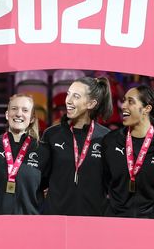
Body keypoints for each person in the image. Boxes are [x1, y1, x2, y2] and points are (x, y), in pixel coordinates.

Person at [102, 85, 154, 218]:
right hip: (117, 222)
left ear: (147, 109)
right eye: (124, 100)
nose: (123, 105)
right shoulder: (110, 141)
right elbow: (105, 181)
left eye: (130, 101)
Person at [42, 77, 112, 216]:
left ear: (91, 104)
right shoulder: (51, 135)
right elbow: (40, 177)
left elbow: (114, 181)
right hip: (56, 217)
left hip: (93, 219)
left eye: (76, 96)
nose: (68, 100)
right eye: (68, 94)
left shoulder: (107, 138)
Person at [0, 94, 49, 214]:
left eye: (25, 110)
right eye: (14, 108)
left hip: (30, 222)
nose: (19, 114)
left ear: (32, 119)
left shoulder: (42, 150)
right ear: (6, 114)